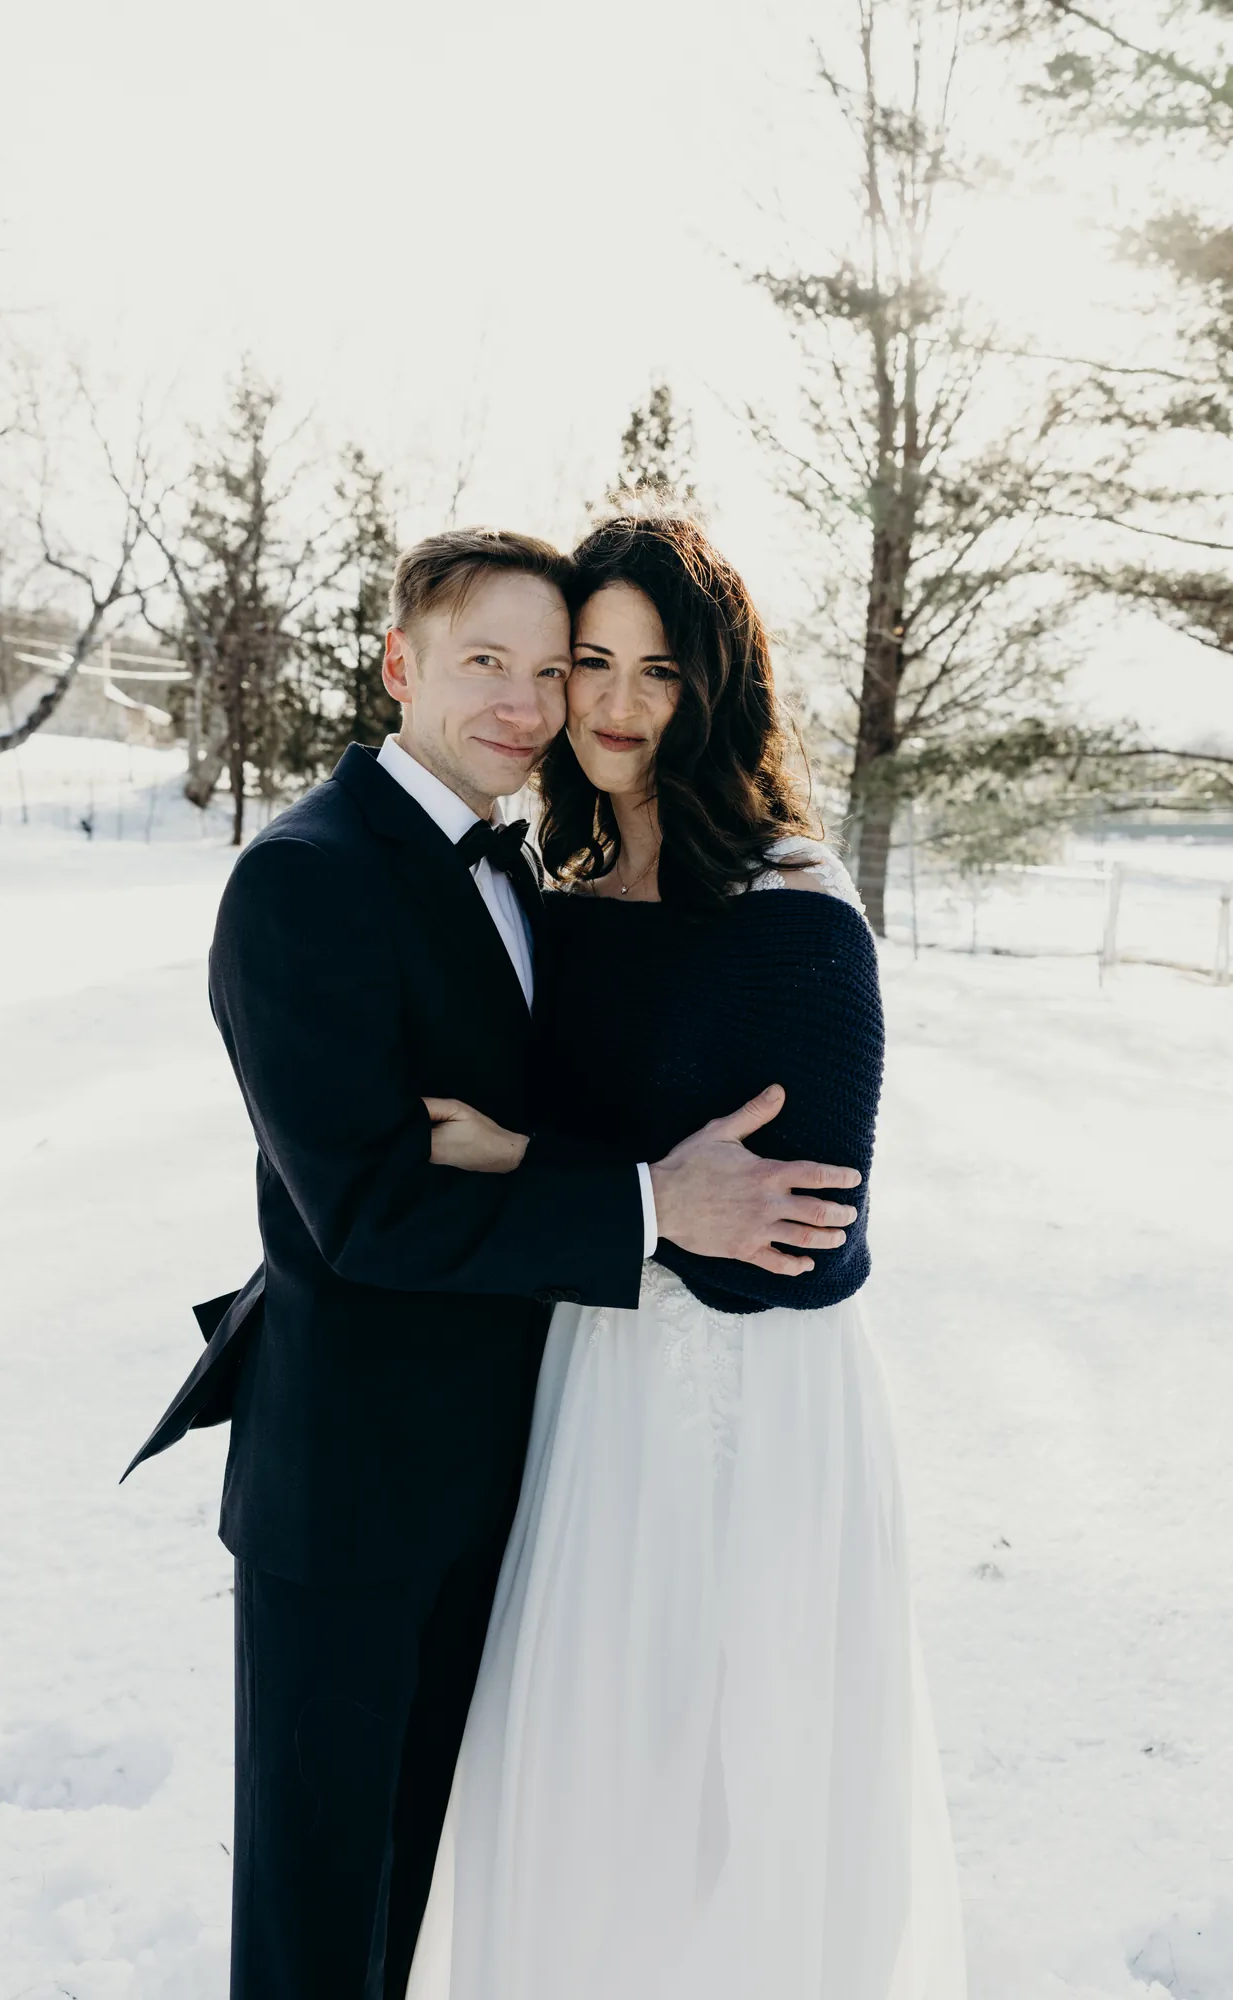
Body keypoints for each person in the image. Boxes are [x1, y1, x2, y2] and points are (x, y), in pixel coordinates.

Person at [121, 527, 865, 2000]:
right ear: (399, 665)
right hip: (353, 1493)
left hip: (525, 1476)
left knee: (442, 1895)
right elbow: (374, 1213)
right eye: (492, 665)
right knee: (320, 1924)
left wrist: (551, 1163)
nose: (534, 704)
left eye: (556, 666)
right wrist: (651, 1210)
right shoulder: (304, 881)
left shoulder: (533, 869)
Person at [405, 516, 967, 2000]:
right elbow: (672, 1201)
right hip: (593, 1391)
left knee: (746, 1792)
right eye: (591, 662)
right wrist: (655, 1193)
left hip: (762, 1413)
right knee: (590, 1774)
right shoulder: (559, 900)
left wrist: (541, 1163)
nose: (615, 703)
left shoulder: (797, 915)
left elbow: (793, 1246)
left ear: (715, 687)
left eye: (660, 669)